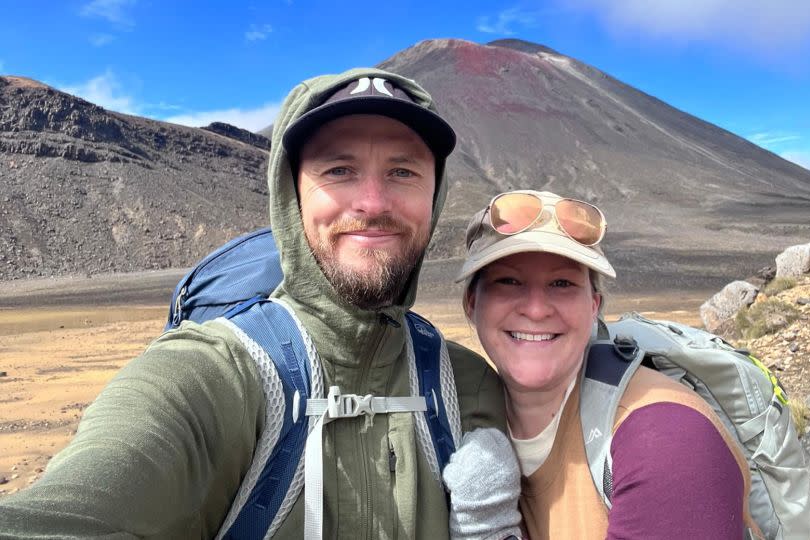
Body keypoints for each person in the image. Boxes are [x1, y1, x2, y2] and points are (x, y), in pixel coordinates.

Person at [0, 69, 521, 539]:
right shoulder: (209, 375)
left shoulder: (469, 386)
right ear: (290, 196)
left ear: (435, 196)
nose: (373, 203)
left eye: (403, 172)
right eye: (339, 170)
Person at [458, 189, 762, 539]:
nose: (537, 309)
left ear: (593, 306)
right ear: (471, 303)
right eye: (508, 281)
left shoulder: (666, 439)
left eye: (562, 283)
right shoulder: (464, 415)